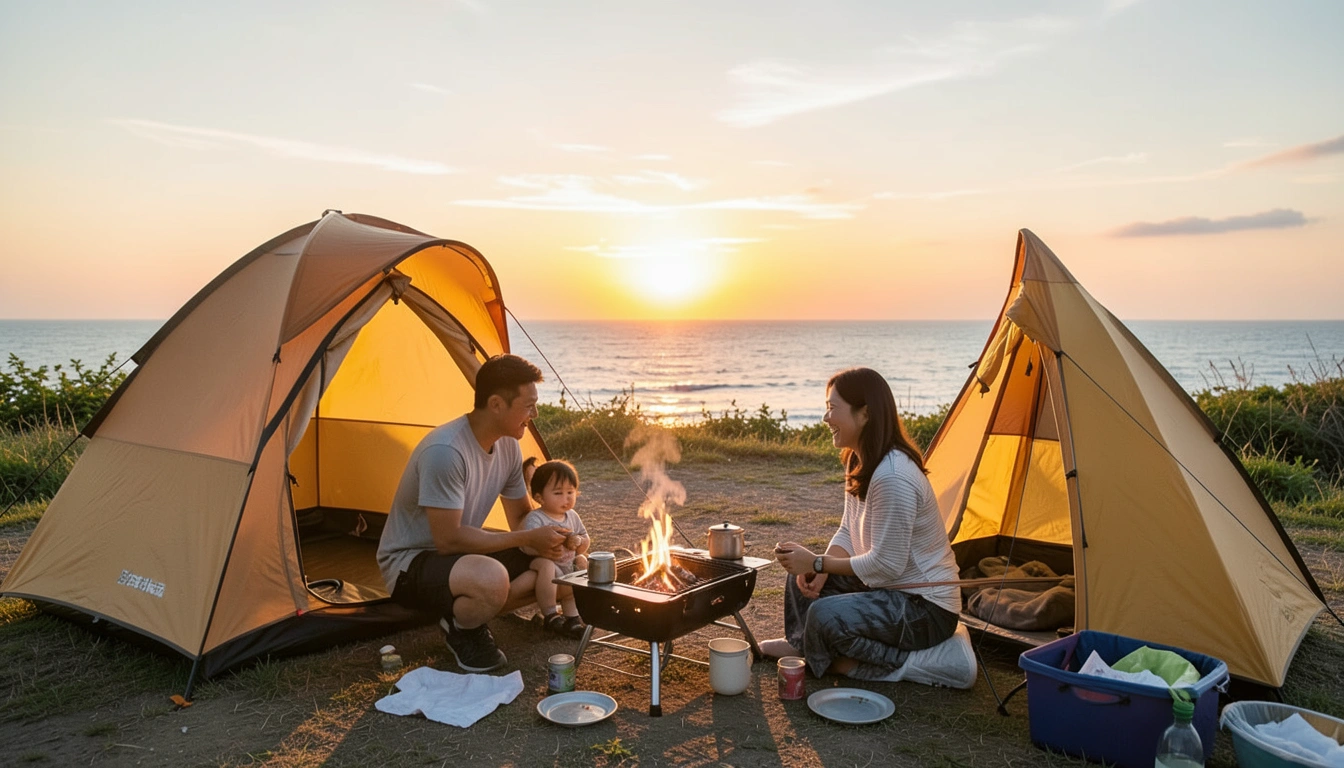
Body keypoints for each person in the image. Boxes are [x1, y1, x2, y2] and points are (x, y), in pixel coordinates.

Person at [762, 367, 966, 682]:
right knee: (800, 580)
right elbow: (848, 530)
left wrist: (817, 560)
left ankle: (903, 663)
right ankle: (805, 646)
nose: (825, 418)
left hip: (926, 608)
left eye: (832, 408)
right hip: (888, 588)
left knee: (823, 613)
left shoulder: (893, 476)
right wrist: (820, 569)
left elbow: (886, 565)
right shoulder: (859, 460)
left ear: (865, 414)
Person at [376, 354, 570, 673]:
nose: (534, 414)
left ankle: (473, 605)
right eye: (528, 405)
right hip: (411, 564)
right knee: (493, 578)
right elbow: (448, 541)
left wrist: (552, 534)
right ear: (496, 404)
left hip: (460, 554)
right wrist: (527, 537)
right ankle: (462, 626)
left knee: (556, 566)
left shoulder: (508, 445)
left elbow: (522, 518)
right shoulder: (446, 452)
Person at [520, 460, 590, 638]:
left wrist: (579, 542)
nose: (566, 498)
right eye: (558, 493)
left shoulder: (572, 516)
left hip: (567, 565)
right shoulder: (536, 518)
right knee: (546, 566)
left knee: (581, 562)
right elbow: (525, 545)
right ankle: (550, 614)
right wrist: (542, 549)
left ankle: (572, 617)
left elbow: (584, 537)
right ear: (539, 497)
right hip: (545, 563)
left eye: (570, 492)